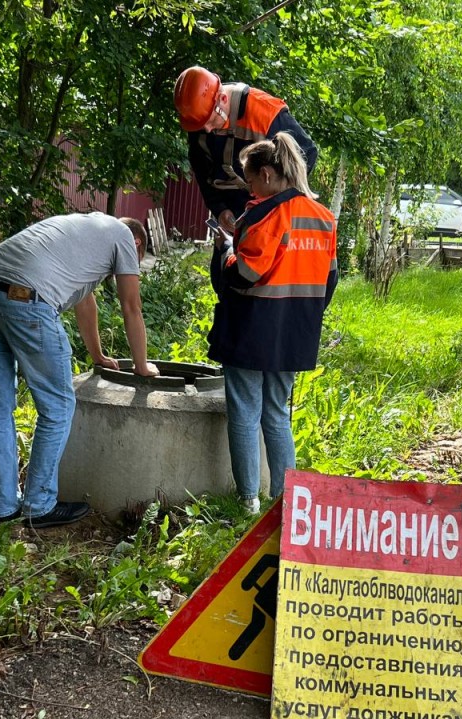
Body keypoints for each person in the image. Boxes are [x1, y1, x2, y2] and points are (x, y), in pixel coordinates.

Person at [0, 212, 159, 529]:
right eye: (137, 261)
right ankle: (39, 506)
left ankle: (3, 507)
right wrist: (141, 365)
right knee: (58, 406)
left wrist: (98, 355)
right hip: (27, 299)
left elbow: (85, 303)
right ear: (137, 243)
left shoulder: (88, 234)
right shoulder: (125, 237)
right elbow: (132, 306)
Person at [207, 133, 338, 513]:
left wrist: (225, 250)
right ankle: (287, 504)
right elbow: (330, 278)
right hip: (295, 333)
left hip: (250, 330)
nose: (249, 188)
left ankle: (248, 500)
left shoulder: (263, 216)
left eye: (249, 180)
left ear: (266, 174)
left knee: (245, 411)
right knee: (277, 413)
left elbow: (244, 273)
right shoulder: (324, 217)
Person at [173, 65, 318, 285]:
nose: (209, 130)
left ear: (222, 99)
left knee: (265, 279)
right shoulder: (199, 118)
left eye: (211, 121)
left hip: (268, 210)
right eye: (202, 126)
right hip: (232, 208)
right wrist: (220, 209)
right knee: (224, 275)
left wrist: (274, 202)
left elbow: (307, 154)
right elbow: (202, 172)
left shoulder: (265, 113)